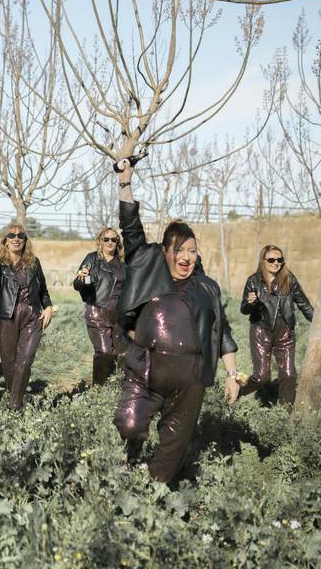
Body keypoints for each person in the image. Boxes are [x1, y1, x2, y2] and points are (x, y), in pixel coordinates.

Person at [112, 157, 240, 483]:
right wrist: (125, 181)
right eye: (180, 250)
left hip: (190, 379)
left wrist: (231, 373)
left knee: (174, 445)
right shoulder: (149, 268)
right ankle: (129, 461)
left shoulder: (206, 288)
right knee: (128, 423)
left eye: (192, 251)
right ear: (165, 251)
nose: (186, 257)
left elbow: (221, 330)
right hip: (147, 369)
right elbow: (130, 227)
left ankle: (151, 494)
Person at [238, 245, 321, 406]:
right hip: (261, 331)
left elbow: (305, 306)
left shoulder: (289, 279)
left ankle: (284, 413)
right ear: (263, 261)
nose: (276, 263)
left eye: (280, 260)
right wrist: (250, 303)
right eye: (271, 260)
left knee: (289, 375)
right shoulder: (253, 281)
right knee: (262, 376)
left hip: (285, 333)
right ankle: (238, 392)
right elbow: (244, 309)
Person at [0, 224, 55, 410]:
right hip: (7, 315)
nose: (16, 238)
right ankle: (16, 395)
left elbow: (43, 289)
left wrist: (49, 307)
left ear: (25, 240)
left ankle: (14, 406)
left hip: (31, 315)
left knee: (25, 360)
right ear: (5, 241)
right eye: (11, 235)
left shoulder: (34, 263)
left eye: (21, 235)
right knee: (9, 362)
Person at [73, 226, 127, 385]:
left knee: (121, 355)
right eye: (106, 239)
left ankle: (115, 388)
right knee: (104, 352)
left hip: (119, 315)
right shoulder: (91, 259)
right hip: (96, 311)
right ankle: (98, 388)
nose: (110, 242)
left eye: (113, 239)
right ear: (100, 242)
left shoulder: (123, 264)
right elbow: (77, 285)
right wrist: (81, 279)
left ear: (118, 243)